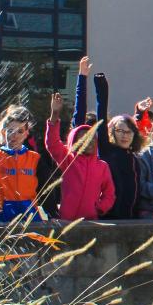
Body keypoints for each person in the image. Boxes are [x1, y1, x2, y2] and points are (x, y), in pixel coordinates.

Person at [71, 57, 144, 219]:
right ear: (112, 132)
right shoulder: (105, 150)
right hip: (108, 219)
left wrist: (139, 113)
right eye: (120, 131)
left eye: (128, 132)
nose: (125, 135)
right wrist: (97, 84)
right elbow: (99, 112)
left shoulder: (135, 159)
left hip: (133, 221)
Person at [46, 91, 115, 221]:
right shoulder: (68, 160)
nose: (88, 142)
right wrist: (54, 114)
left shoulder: (102, 166)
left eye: (91, 139)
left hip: (91, 221)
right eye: (83, 139)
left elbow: (109, 194)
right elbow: (52, 144)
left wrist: (100, 208)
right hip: (66, 221)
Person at [0, 105, 43, 222]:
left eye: (20, 131)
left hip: (28, 212)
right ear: (3, 132)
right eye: (10, 131)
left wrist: (51, 212)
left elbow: (46, 188)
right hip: (2, 213)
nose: (15, 135)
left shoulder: (34, 158)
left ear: (26, 133)